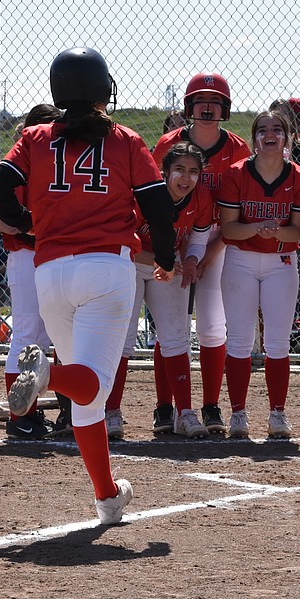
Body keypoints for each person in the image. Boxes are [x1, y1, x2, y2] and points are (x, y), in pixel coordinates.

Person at [0, 47, 176, 526]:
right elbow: (157, 206)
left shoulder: (35, 137)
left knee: (85, 395)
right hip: (106, 270)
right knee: (94, 383)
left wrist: (26, 225)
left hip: (48, 271)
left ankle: (108, 497)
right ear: (101, 90)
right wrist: (168, 258)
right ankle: (46, 377)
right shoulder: (126, 139)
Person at [153, 73, 251, 435]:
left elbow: (238, 208)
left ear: (224, 108)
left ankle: (210, 406)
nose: (207, 107)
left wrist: (210, 252)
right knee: (169, 324)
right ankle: (166, 408)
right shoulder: (167, 144)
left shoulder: (238, 149)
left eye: (214, 101)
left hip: (216, 237)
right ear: (189, 106)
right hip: (169, 235)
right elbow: (151, 197)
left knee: (211, 325)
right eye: (199, 100)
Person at [217, 110, 300, 438]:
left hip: (280, 261)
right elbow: (229, 229)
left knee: (277, 342)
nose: (269, 134)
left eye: (277, 129)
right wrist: (259, 227)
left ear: (287, 137)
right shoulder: (235, 174)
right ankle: (239, 414)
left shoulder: (299, 177)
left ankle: (277, 413)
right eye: (262, 129)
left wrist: (273, 233)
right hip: (240, 259)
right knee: (240, 340)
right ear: (253, 137)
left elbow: (295, 233)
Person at [111, 142, 212, 440]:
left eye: (194, 171)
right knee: (122, 338)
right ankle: (111, 411)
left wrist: (191, 261)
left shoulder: (201, 198)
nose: (186, 178)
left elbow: (197, 239)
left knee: (176, 336)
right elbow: (123, 242)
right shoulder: (146, 195)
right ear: (164, 171)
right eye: (179, 169)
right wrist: (162, 261)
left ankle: (184, 412)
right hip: (130, 261)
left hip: (169, 263)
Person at [1, 103, 65, 440]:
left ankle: (31, 411)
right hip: (27, 255)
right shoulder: (22, 163)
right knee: (27, 335)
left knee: (46, 339)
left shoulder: (54, 162)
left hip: (52, 254)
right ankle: (19, 416)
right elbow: (12, 218)